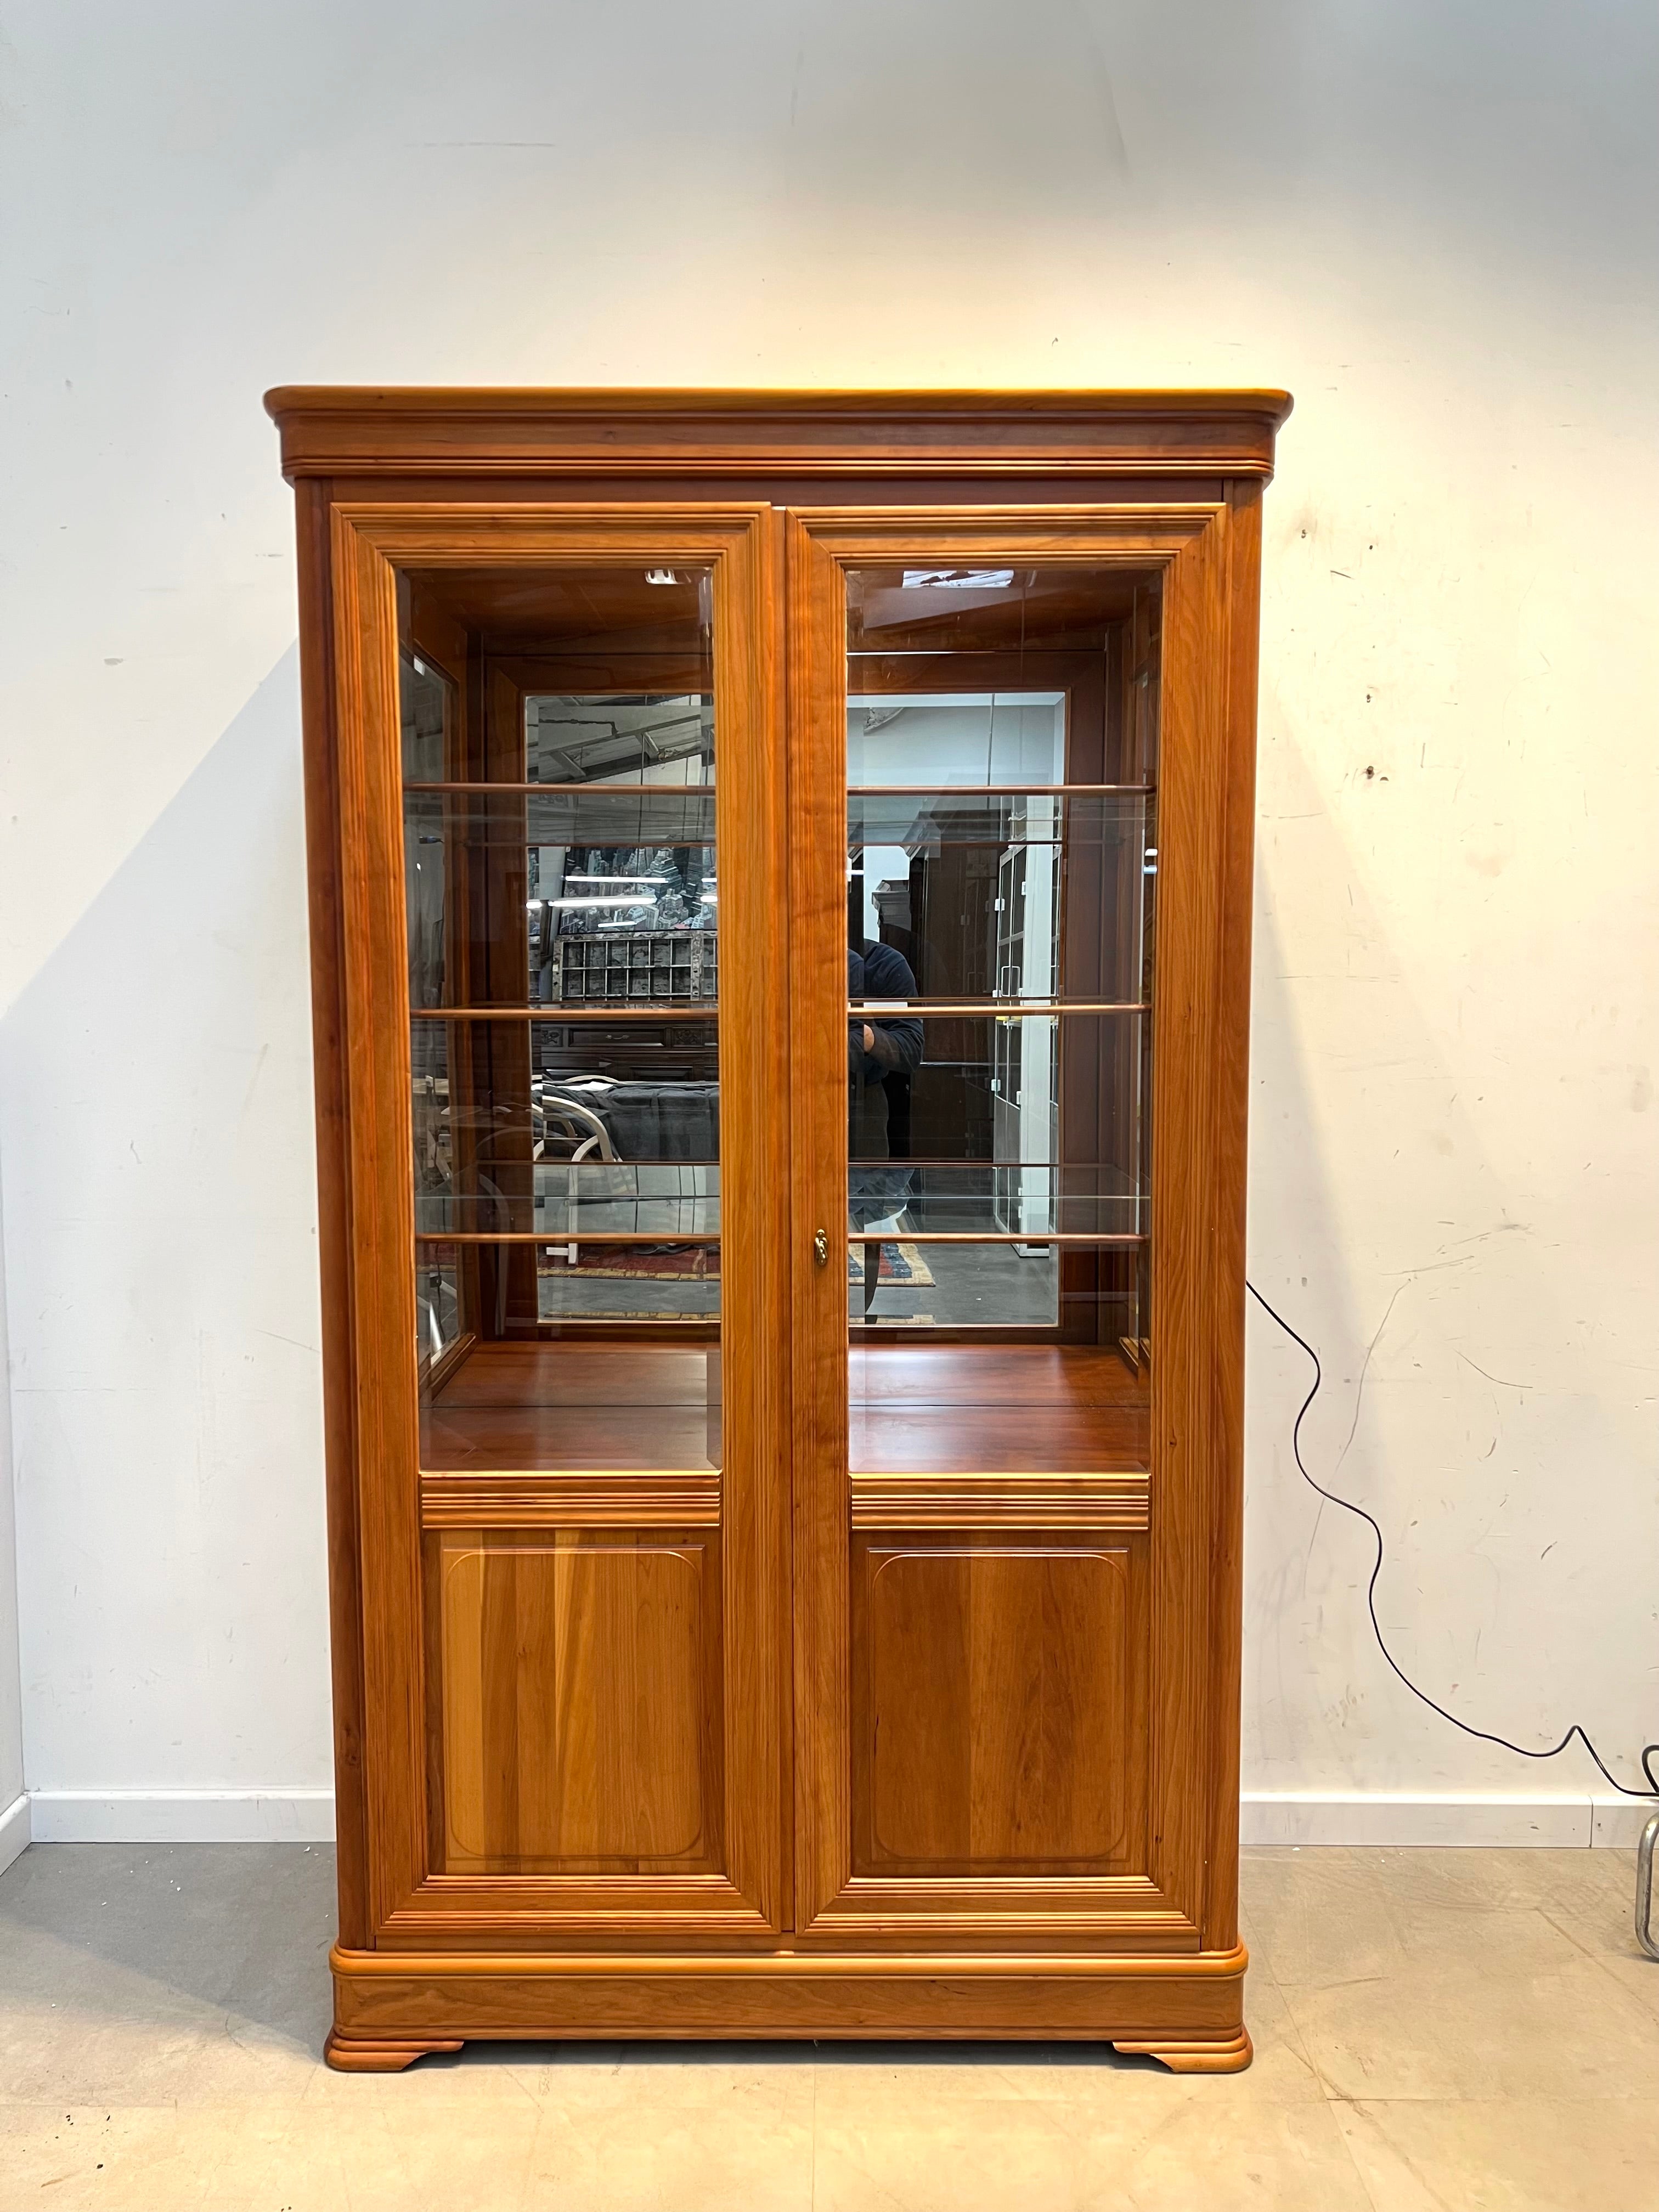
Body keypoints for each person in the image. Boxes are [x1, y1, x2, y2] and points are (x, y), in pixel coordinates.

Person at [849, 938, 923, 1315]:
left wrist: (866, 1037)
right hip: (789, 1103)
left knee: (868, 1215)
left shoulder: (885, 964)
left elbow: (912, 1049)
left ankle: (865, 1314)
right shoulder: (788, 955)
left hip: (864, 1108)